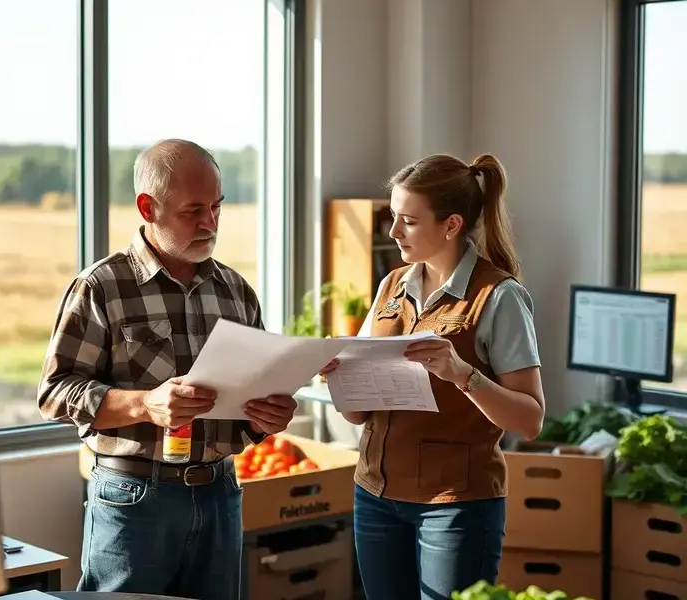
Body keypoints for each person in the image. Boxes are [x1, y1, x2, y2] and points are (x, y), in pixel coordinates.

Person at [37, 139, 298, 600]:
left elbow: (255, 394)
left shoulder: (236, 290)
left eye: (217, 207)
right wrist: (146, 404)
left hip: (221, 494)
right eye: (193, 210)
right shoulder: (100, 286)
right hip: (134, 499)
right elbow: (55, 393)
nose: (210, 223)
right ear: (148, 207)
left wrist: (267, 417)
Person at [321, 153, 545, 600]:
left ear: (451, 224)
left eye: (408, 221)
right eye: (393, 218)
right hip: (375, 495)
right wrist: (337, 376)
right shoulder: (391, 287)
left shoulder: (499, 297)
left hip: (456, 507)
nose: (393, 232)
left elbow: (530, 420)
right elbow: (358, 414)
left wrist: (462, 374)